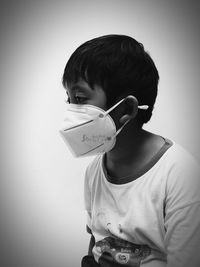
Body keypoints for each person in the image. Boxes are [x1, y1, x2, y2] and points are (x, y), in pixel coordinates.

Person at [60, 34, 200, 267]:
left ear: (126, 108)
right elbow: (96, 242)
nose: (71, 112)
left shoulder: (181, 175)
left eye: (81, 98)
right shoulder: (96, 169)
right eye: (69, 99)